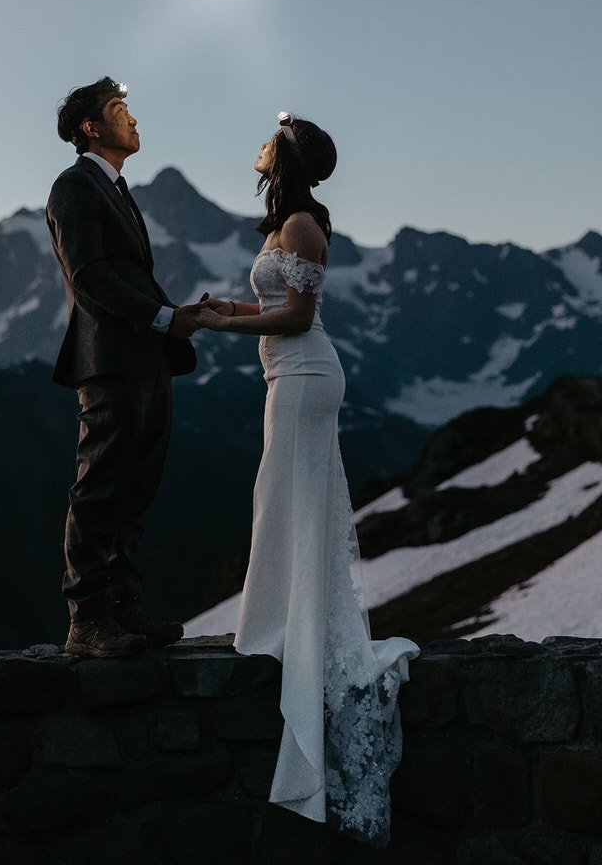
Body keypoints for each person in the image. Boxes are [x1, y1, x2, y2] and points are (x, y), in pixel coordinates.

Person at [195, 112, 420, 846]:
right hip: (287, 377)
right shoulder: (285, 225)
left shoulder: (301, 228)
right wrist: (228, 308)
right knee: (285, 502)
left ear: (284, 156)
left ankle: (282, 636)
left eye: (270, 136)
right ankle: (278, 628)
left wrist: (222, 329)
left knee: (284, 501)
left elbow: (295, 317)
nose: (258, 142)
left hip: (303, 373)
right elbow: (272, 306)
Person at [46, 77, 203, 659]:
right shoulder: (74, 187)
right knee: (99, 488)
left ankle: (123, 611)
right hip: (109, 364)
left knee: (135, 489)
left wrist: (173, 318)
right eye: (119, 110)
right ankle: (86, 621)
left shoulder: (113, 188)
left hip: (144, 361)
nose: (132, 119)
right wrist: (165, 318)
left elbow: (125, 275)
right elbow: (86, 275)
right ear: (91, 128)